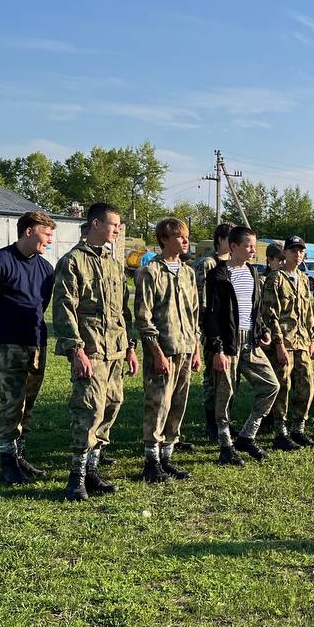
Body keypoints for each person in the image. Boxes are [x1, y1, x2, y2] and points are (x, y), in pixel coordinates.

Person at [53, 202, 138, 500]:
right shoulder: (73, 261)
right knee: (88, 410)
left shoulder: (113, 263)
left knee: (112, 406)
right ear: (96, 224)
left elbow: (122, 311)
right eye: (114, 225)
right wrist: (76, 350)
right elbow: (64, 309)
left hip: (115, 351)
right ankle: (75, 478)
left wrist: (129, 347)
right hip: (90, 351)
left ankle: (92, 471)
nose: (117, 230)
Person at [0, 209, 57, 485]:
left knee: (27, 403)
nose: (50, 241)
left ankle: (20, 456)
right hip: (4, 343)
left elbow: (42, 305)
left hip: (35, 343)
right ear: (28, 231)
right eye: (47, 234)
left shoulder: (45, 268)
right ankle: (7, 461)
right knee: (12, 402)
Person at [133, 217, 201, 483]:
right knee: (158, 404)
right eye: (180, 237)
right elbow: (143, 316)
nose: (185, 242)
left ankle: (167, 457)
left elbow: (194, 313)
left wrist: (195, 349)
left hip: (185, 348)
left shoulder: (187, 272)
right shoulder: (150, 272)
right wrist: (156, 351)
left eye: (186, 237)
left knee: (177, 404)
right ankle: (151, 461)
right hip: (163, 349)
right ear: (164, 239)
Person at [204, 226, 279, 464]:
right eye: (247, 246)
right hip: (228, 343)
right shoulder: (218, 275)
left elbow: (254, 309)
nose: (251, 250)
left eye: (253, 246)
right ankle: (226, 446)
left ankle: (247, 436)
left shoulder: (253, 273)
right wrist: (217, 349)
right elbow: (212, 316)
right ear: (233, 246)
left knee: (271, 385)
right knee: (225, 395)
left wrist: (263, 330)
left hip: (251, 342)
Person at [258, 235, 314, 451]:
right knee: (283, 386)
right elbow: (270, 314)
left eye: (301, 251)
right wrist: (278, 344)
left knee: (306, 386)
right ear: (284, 253)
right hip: (283, 343)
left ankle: (298, 428)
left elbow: (308, 313)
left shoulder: (303, 278)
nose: (298, 254)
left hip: (302, 342)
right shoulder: (276, 278)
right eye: (293, 250)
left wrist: (311, 340)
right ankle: (280, 431)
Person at [195, 221, 235, 442]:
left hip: (230, 329)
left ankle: (226, 422)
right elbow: (202, 300)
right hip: (211, 329)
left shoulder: (234, 263)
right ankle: (211, 423)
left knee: (229, 380)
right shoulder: (207, 264)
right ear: (220, 239)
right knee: (212, 378)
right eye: (231, 238)